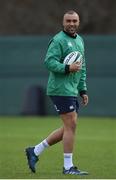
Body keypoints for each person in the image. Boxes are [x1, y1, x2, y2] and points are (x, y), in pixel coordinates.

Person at [25, 10, 89, 175]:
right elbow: (49, 62)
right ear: (63, 22)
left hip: (72, 90)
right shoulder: (58, 40)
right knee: (71, 126)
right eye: (68, 21)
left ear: (78, 22)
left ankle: (35, 151)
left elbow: (81, 68)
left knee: (69, 127)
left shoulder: (80, 41)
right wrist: (67, 68)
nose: (71, 24)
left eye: (74, 21)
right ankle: (68, 167)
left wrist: (82, 89)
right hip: (60, 89)